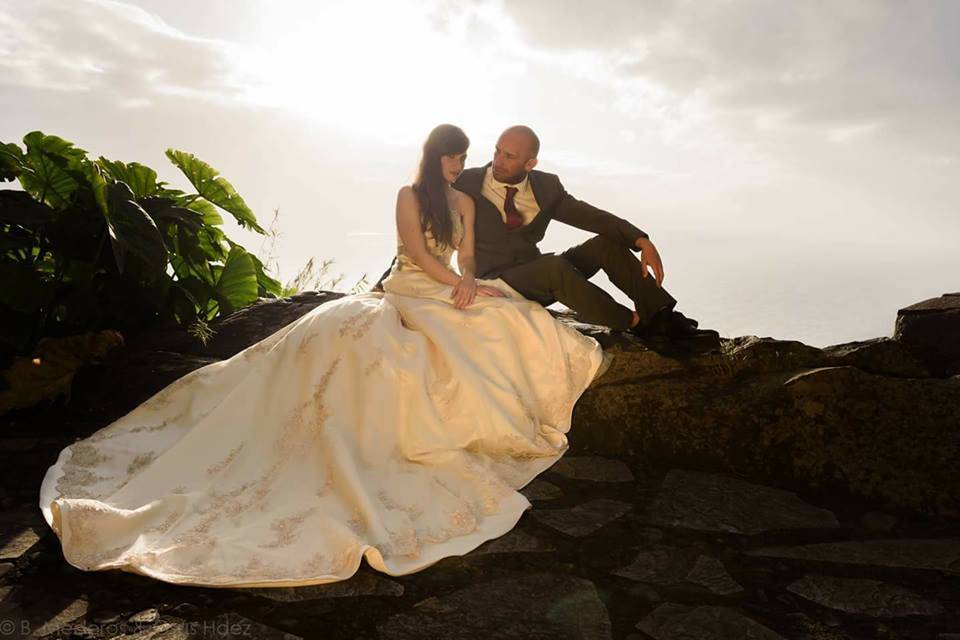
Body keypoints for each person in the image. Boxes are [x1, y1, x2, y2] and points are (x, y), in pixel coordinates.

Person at [38, 124, 611, 588]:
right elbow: (416, 255)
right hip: (412, 285)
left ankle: (504, 409)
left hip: (447, 284)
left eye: (464, 162)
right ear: (434, 159)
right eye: (453, 161)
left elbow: (465, 258)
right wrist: (451, 285)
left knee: (502, 316)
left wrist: (469, 282)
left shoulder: (463, 201)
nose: (460, 171)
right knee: (429, 330)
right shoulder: (409, 196)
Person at [373, 125, 720, 353]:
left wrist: (640, 239)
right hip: (496, 280)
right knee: (555, 268)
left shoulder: (546, 187)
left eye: (509, 156)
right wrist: (384, 283)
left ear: (530, 162)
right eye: (496, 151)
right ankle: (636, 324)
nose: (497, 160)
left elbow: (590, 216)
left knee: (604, 245)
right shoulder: (466, 183)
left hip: (533, 273)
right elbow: (422, 231)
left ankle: (659, 314)